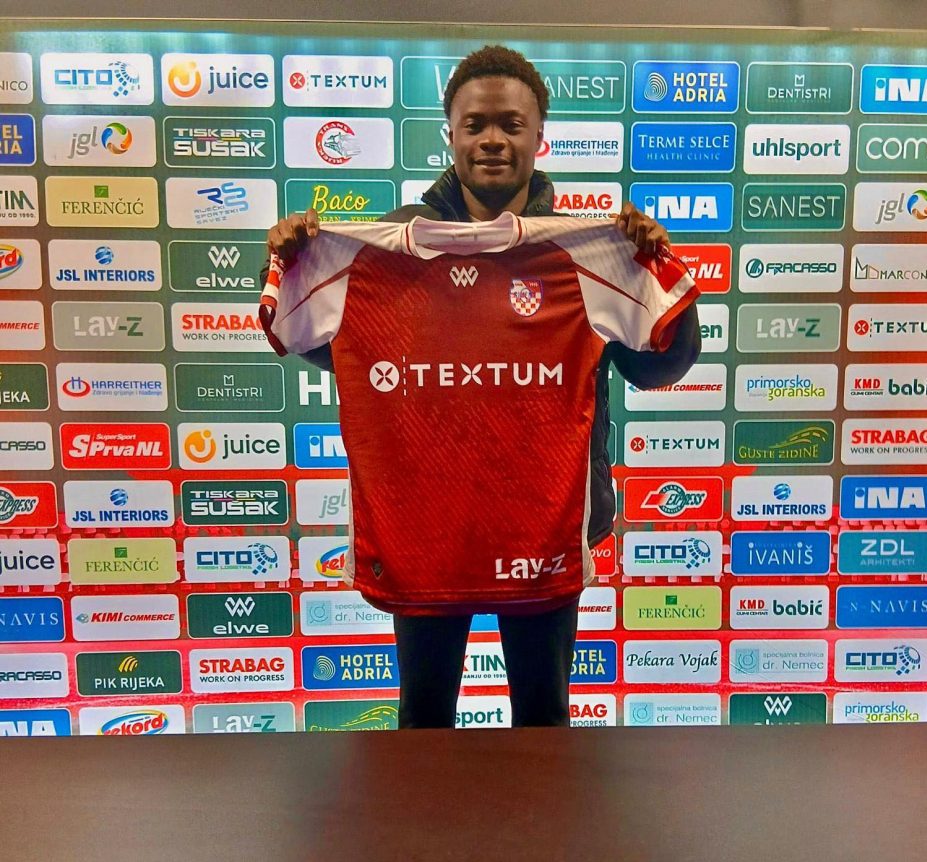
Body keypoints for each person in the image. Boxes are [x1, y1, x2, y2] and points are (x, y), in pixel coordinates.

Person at [266, 45, 701, 729]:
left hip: (545, 524)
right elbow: (343, 352)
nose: (492, 139)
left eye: (510, 124)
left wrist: (651, 262)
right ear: (451, 134)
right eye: (475, 125)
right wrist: (298, 259)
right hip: (425, 526)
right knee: (424, 720)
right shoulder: (386, 247)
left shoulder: (583, 247)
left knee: (544, 721)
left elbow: (661, 367)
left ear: (538, 136)